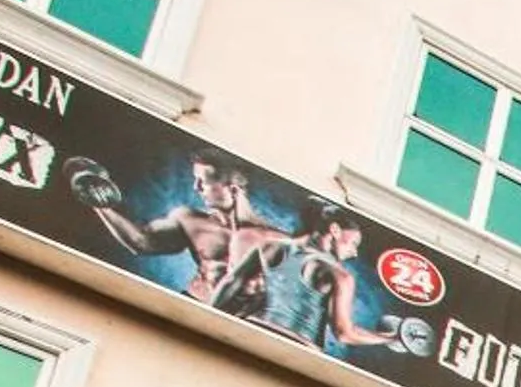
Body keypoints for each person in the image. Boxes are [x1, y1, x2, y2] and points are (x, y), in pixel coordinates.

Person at [64, 151, 286, 312]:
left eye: (203, 182)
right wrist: (100, 204)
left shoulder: (275, 239)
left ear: (233, 186)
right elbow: (141, 242)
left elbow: (282, 297)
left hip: (238, 326)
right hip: (193, 305)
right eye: (195, 180)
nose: (196, 188)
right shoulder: (190, 220)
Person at [221, 203, 433, 357]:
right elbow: (344, 333)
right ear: (334, 230)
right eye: (353, 243)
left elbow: (229, 287)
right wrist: (391, 338)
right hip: (298, 351)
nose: (354, 252)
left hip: (253, 334)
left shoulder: (271, 246)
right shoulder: (340, 275)